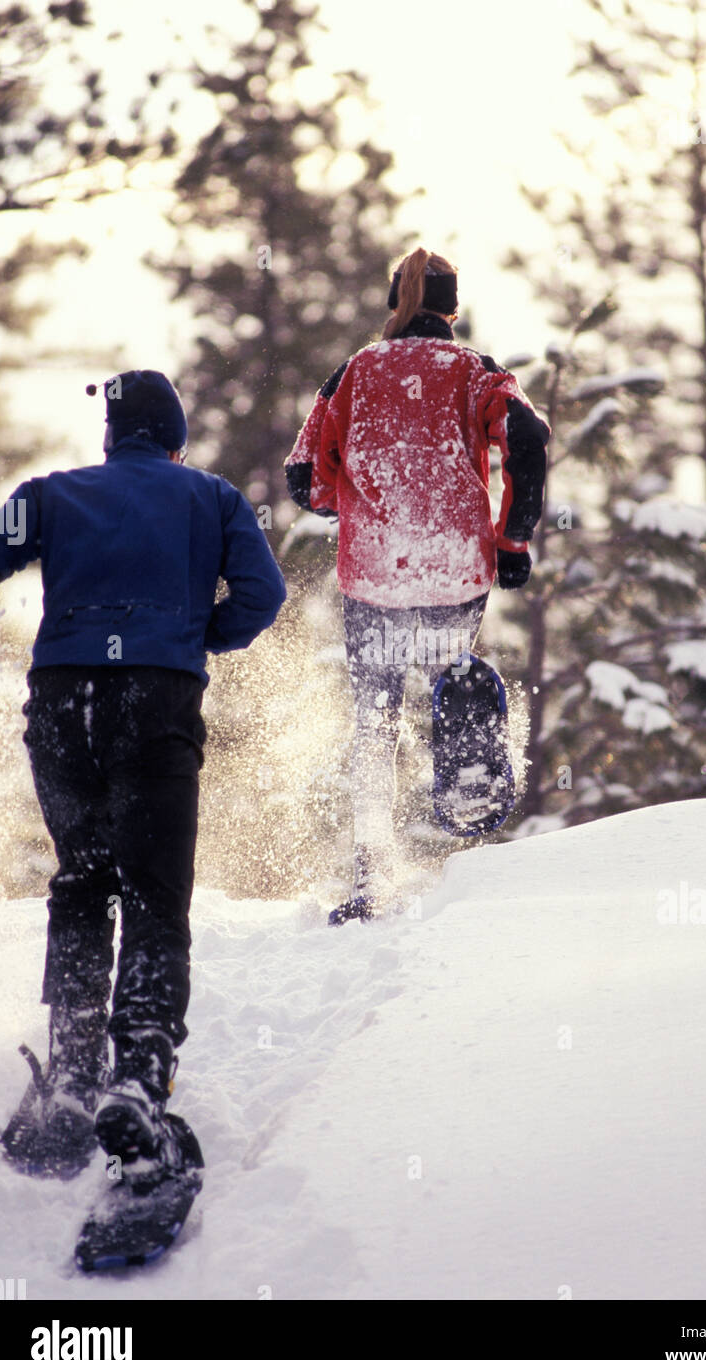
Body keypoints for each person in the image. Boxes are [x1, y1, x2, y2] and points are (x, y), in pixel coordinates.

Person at [0, 370, 286, 1177]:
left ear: (110, 440)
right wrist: (195, 637)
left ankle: (74, 1071)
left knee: (81, 880)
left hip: (61, 702)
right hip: (157, 700)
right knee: (155, 894)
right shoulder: (212, 498)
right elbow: (263, 592)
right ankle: (139, 1078)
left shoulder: (52, 494)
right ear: (176, 439)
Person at [283, 248, 549, 920]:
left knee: (374, 720)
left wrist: (355, 500)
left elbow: (303, 479)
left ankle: (371, 876)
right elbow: (527, 434)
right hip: (455, 568)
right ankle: (461, 720)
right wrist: (511, 540)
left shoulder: (353, 373)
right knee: (448, 666)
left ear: (391, 306)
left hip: (373, 575)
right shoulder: (475, 371)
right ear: (451, 310)